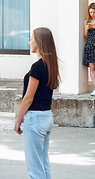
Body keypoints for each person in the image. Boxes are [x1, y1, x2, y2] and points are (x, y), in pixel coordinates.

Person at [14, 27, 60, 179]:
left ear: (39, 42)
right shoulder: (50, 65)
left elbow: (28, 98)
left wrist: (18, 120)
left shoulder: (37, 67)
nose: (29, 42)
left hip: (35, 118)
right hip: (46, 117)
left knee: (35, 168)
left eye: (31, 38)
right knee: (43, 163)